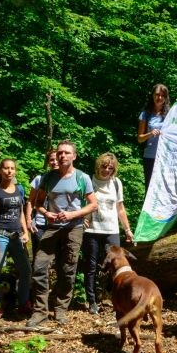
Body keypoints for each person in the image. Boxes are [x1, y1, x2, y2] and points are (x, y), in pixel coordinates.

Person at [26, 140, 98, 327]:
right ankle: (40, 312)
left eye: (66, 153)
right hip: (52, 228)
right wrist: (46, 213)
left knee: (67, 271)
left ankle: (60, 310)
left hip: (74, 228)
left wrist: (73, 214)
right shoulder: (48, 177)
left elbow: (93, 204)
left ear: (74, 156)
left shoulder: (82, 178)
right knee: (39, 267)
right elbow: (38, 203)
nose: (62, 155)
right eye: (60, 153)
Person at [83, 153, 134, 315]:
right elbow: (82, 203)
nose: (106, 170)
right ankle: (92, 301)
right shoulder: (89, 181)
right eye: (104, 167)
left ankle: (117, 300)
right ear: (98, 166)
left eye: (110, 168)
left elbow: (120, 208)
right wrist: (83, 218)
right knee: (90, 266)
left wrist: (127, 229)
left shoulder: (116, 183)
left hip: (111, 229)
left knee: (116, 266)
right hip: (91, 230)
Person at [0, 158, 31, 316]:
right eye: (6, 168)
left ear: (15, 171)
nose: (9, 171)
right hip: (0, 235)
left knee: (26, 270)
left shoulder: (19, 189)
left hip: (16, 236)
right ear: (1, 171)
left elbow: (21, 214)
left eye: (12, 168)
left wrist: (25, 232)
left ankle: (24, 302)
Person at [25, 149, 59, 262]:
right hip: (39, 225)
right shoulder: (39, 179)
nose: (55, 162)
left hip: (58, 225)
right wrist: (29, 220)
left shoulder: (67, 179)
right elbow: (30, 201)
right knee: (38, 259)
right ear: (48, 162)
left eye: (57, 159)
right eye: (52, 160)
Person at [137, 83, 170, 187]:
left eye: (162, 95)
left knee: (164, 189)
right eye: (157, 94)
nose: (159, 97)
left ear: (165, 97)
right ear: (152, 96)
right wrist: (150, 134)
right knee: (150, 188)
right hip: (150, 157)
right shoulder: (145, 114)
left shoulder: (171, 114)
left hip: (166, 157)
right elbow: (139, 139)